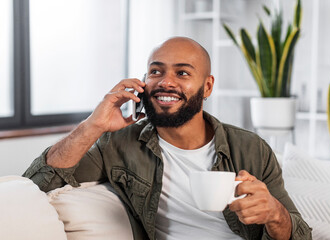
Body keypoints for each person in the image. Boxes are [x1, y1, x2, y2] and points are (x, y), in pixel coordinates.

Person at [23, 37, 312, 240]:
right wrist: (93, 124)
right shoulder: (118, 144)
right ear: (143, 81)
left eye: (182, 72)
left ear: (207, 86)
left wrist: (275, 214)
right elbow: (35, 186)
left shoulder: (251, 149)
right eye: (156, 71)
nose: (166, 82)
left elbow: (299, 233)